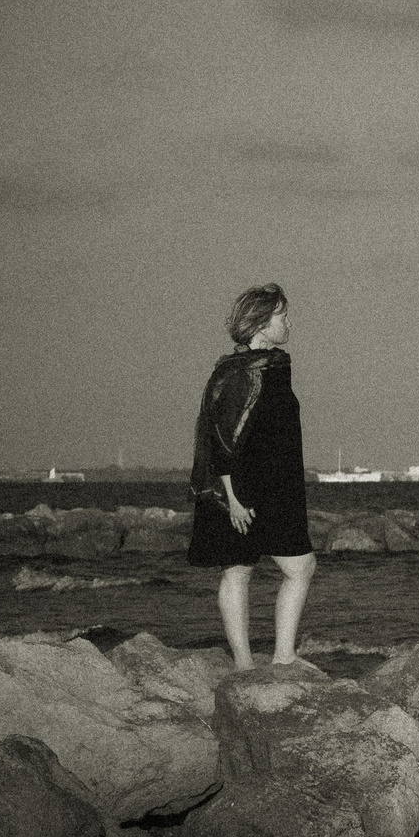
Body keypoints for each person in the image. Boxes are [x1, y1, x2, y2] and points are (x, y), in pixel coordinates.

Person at [187, 283, 317, 670]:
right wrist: (233, 498)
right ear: (260, 323)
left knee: (294, 567)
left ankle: (281, 657)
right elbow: (220, 436)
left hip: (278, 486)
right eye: (282, 316)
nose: (289, 323)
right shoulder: (237, 373)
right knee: (242, 569)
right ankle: (248, 664)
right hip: (242, 488)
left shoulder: (275, 367)